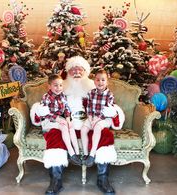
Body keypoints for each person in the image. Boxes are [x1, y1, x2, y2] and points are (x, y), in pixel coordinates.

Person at [30, 56, 124, 195]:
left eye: (80, 70)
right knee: (55, 136)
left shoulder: (93, 89)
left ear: (86, 72)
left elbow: (110, 108)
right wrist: (40, 111)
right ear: (68, 72)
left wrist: (114, 113)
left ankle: (102, 179)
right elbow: (44, 108)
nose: (76, 73)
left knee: (105, 135)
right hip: (65, 124)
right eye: (73, 70)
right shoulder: (61, 89)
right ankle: (56, 180)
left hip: (89, 123)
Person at [40, 74, 81, 166]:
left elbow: (66, 108)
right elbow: (45, 113)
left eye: (60, 85)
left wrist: (68, 119)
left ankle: (77, 153)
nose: (58, 88)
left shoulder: (62, 96)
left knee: (70, 126)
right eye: (55, 85)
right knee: (64, 126)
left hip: (60, 119)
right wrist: (58, 119)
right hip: (48, 121)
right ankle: (71, 152)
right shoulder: (46, 97)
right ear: (49, 86)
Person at [81, 69, 115, 167]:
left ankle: (92, 154)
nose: (100, 82)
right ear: (94, 81)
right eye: (98, 80)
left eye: (103, 80)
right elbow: (89, 107)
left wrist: (97, 119)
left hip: (105, 118)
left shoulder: (109, 95)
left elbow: (107, 110)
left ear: (107, 81)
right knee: (83, 129)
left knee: (97, 127)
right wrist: (90, 118)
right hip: (92, 117)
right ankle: (86, 153)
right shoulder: (91, 92)